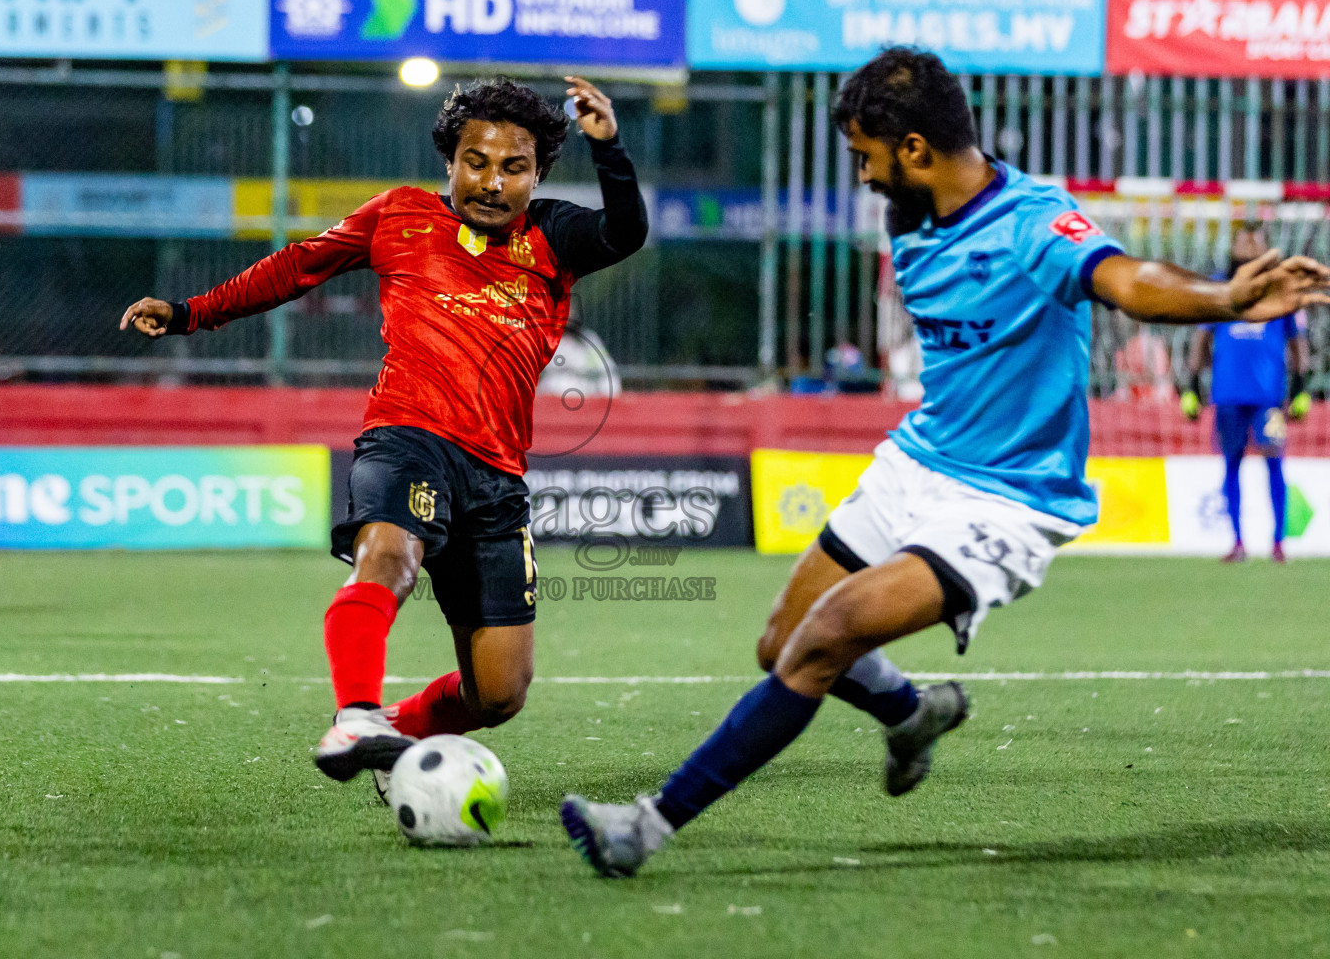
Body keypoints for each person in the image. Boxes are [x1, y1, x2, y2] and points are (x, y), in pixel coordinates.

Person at [558, 47, 1330, 878]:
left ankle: (646, 827)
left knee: (826, 638)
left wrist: (1224, 298)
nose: (861, 176)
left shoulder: (1036, 222)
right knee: (779, 641)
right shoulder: (909, 216)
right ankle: (910, 712)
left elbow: (1126, 279)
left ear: (916, 150)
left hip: (1005, 501)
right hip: (917, 461)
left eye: (866, 155)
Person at [121, 76, 650, 783]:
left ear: (540, 173)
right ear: (450, 160)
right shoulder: (398, 216)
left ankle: (389, 730)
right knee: (391, 560)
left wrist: (609, 147)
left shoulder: (554, 236)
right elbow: (296, 267)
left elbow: (627, 230)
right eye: (476, 162)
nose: (492, 182)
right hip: (407, 437)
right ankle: (355, 715)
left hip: (497, 477)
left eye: (513, 168)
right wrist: (192, 314)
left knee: (498, 692)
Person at [1181, 221, 1312, 563]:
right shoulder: (1220, 288)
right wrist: (1192, 384)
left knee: (1274, 464)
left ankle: (1279, 543)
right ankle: (1237, 542)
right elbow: (1202, 338)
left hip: (1269, 398)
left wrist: (1301, 388)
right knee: (1231, 466)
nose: (1250, 248)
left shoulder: (1280, 290)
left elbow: (1297, 344)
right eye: (1244, 242)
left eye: (1256, 242)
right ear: (1234, 247)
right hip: (1227, 396)